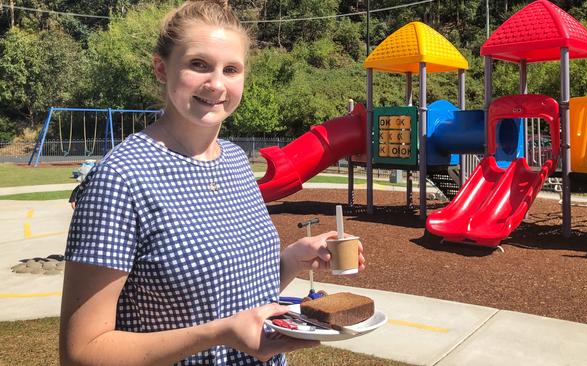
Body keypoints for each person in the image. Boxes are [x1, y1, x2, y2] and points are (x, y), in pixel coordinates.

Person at [58, 1, 365, 365]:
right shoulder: (121, 178)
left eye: (231, 69)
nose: (216, 83)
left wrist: (294, 259)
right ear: (161, 68)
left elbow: (236, 297)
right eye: (198, 64)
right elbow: (81, 352)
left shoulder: (234, 160)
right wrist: (217, 334)